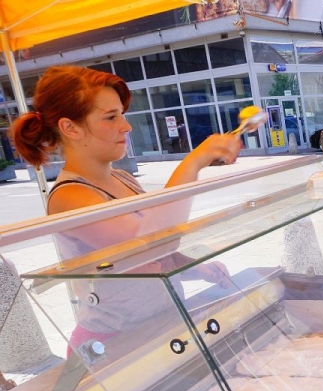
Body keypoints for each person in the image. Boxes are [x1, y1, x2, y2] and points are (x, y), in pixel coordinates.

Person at [11, 65, 242, 351]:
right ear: (70, 128)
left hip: (160, 326)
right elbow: (150, 243)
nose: (126, 126)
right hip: (111, 343)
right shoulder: (69, 196)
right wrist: (193, 161)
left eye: (122, 114)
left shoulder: (123, 178)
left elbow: (158, 257)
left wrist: (199, 270)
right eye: (111, 117)